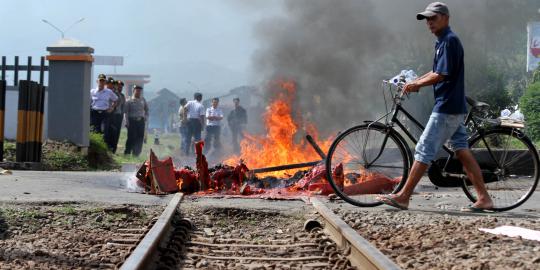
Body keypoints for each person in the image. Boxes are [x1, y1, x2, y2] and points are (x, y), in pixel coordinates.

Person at [376, 2, 494, 212]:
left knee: (424, 148)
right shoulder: (442, 42)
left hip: (447, 107)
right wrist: (414, 81)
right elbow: (435, 70)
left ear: (446, 18)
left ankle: (403, 197)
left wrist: (417, 84)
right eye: (427, 19)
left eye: (433, 18)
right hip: (451, 106)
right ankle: (484, 198)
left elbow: (442, 74)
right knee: (462, 151)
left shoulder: (449, 41)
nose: (429, 22)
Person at [124, 85, 149, 156]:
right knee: (131, 137)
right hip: (132, 121)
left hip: (141, 121)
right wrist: (126, 121)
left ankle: (136, 153)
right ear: (133, 91)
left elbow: (147, 109)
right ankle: (127, 152)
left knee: (140, 137)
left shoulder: (143, 100)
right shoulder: (129, 100)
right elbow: (126, 112)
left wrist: (146, 116)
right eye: (137, 90)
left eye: (139, 90)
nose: (138, 92)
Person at [105, 80, 126, 153]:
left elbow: (123, 106)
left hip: (119, 115)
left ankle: (114, 149)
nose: (118, 87)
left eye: (119, 86)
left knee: (117, 133)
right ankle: (110, 148)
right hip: (112, 115)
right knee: (111, 132)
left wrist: (122, 115)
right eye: (116, 85)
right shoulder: (112, 93)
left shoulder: (121, 95)